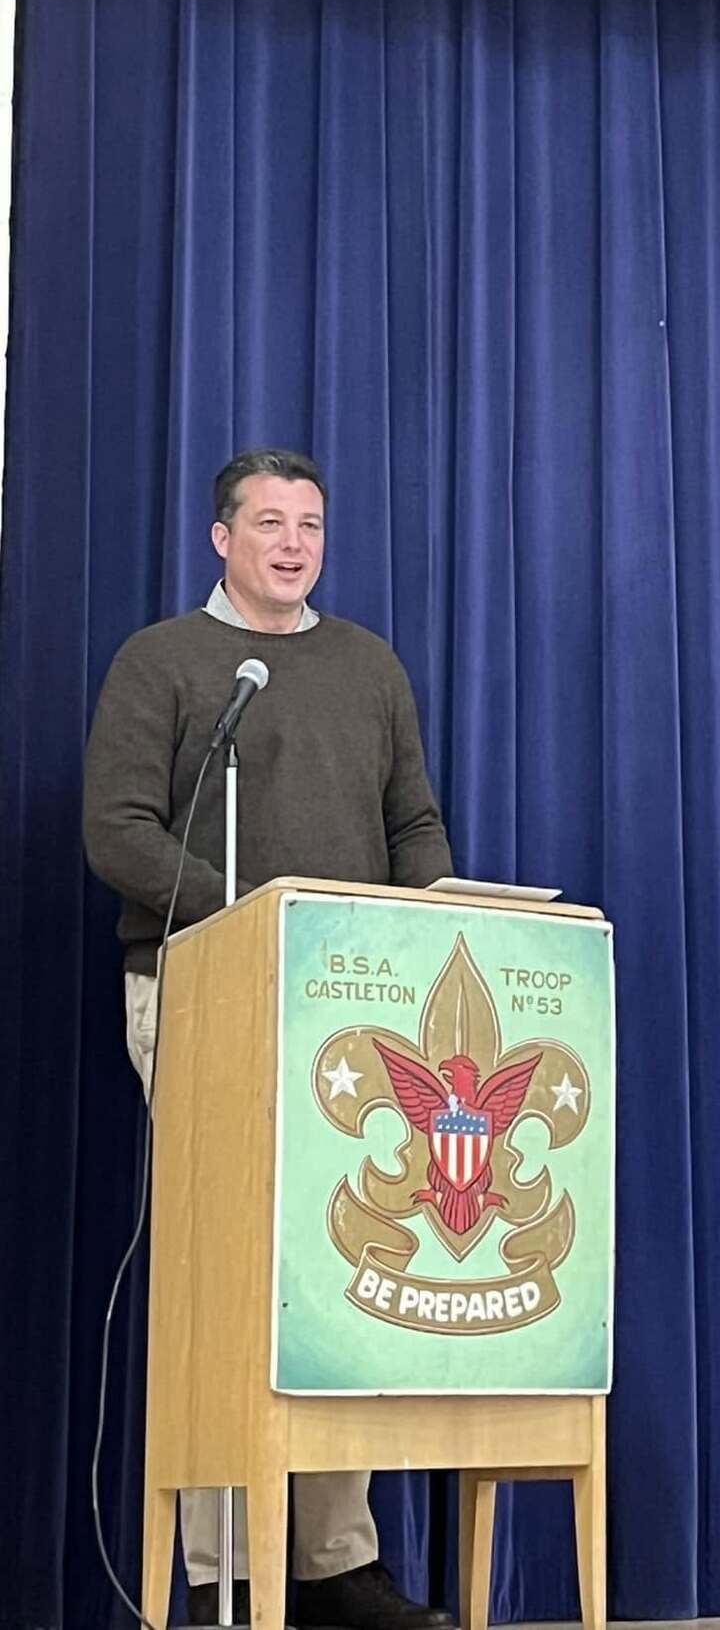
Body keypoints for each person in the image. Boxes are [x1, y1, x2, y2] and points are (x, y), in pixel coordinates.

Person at [84, 450, 455, 1630]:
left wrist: (433, 931)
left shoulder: (369, 665)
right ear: (220, 539)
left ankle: (336, 1558)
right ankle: (222, 1566)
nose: (293, 543)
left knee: (346, 1273)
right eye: (269, 523)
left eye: (311, 525)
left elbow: (414, 822)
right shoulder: (169, 664)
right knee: (226, 1276)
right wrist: (244, 919)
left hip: (351, 1015)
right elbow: (118, 829)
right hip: (207, 991)